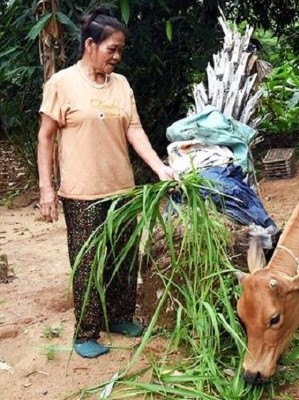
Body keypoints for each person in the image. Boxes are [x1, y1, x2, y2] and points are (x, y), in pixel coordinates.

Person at [36, 6, 178, 358]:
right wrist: (47, 190)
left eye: (120, 50)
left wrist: (160, 168)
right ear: (90, 45)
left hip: (122, 188)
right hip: (82, 193)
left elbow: (134, 128)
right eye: (111, 49)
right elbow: (45, 138)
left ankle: (120, 317)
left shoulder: (122, 85)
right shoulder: (62, 84)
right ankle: (85, 332)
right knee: (87, 264)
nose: (117, 56)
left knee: (122, 260)